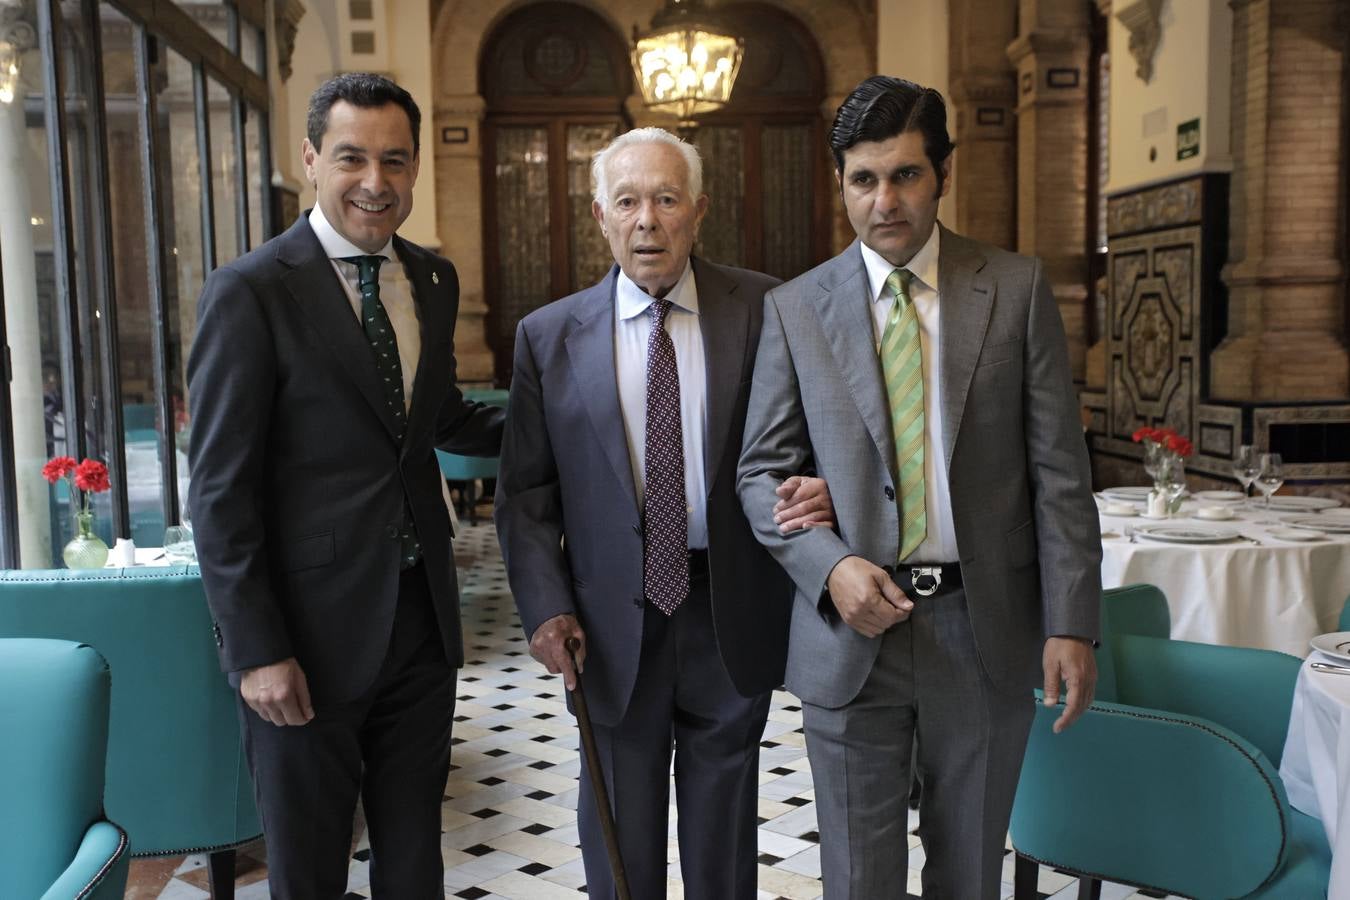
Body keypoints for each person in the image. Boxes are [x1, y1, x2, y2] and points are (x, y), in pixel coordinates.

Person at [736, 75, 1102, 899]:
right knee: (859, 881)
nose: (884, 200)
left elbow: (1059, 476)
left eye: (906, 175)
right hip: (849, 635)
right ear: (841, 184)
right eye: (864, 179)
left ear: (943, 173)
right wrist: (830, 566)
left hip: (984, 631)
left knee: (970, 874)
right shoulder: (797, 309)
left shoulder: (1014, 289)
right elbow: (759, 476)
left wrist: (1073, 622)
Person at [494, 127, 832, 899]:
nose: (647, 219)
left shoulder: (765, 308)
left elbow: (811, 436)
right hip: (609, 622)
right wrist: (545, 607)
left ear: (698, 210)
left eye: (666, 198)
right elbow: (525, 496)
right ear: (600, 215)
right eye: (628, 201)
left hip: (729, 607)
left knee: (724, 831)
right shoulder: (548, 337)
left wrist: (819, 486)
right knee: (619, 834)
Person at [187, 73, 503, 898]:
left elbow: (437, 419)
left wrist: (583, 420)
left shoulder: (432, 280)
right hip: (305, 639)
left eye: (395, 160)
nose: (376, 181)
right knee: (310, 870)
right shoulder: (249, 292)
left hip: (422, 625)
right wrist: (257, 651)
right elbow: (219, 492)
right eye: (352, 157)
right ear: (310, 159)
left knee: (413, 861)